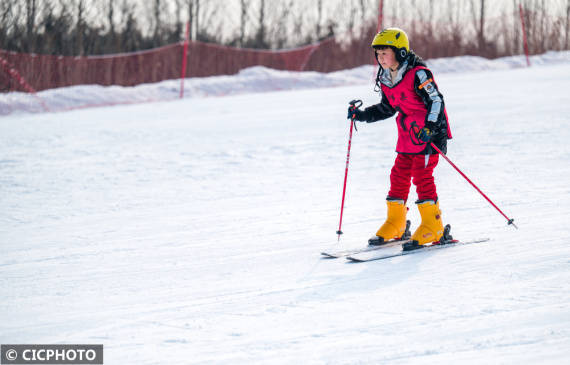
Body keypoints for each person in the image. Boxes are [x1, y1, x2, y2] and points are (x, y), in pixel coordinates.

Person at [348, 27, 452, 249]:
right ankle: (396, 222)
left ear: (401, 52)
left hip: (428, 133)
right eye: (378, 53)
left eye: (385, 53)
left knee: (422, 176)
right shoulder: (386, 78)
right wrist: (363, 114)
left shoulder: (419, 74)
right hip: (407, 135)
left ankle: (433, 226)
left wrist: (431, 127)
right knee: (399, 175)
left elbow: (436, 101)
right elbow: (388, 108)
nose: (380, 58)